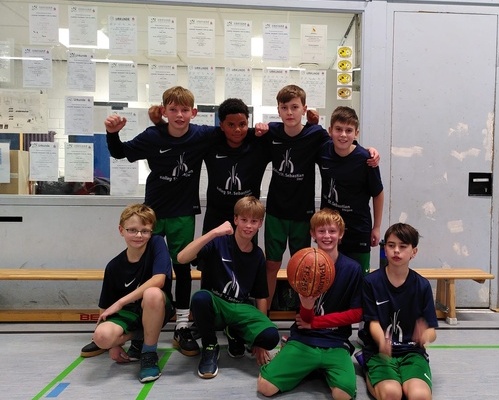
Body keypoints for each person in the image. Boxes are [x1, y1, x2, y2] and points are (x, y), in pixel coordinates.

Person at [103, 87, 267, 358]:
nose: (179, 115)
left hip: (183, 211)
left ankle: (181, 323)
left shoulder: (202, 135)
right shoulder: (152, 135)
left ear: (194, 112)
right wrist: (112, 133)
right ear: (164, 111)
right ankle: (140, 322)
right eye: (173, 109)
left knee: (181, 267)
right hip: (153, 213)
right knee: (151, 266)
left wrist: (261, 129)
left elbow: (235, 129)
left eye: (184, 110)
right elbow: (120, 152)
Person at [263, 84, 379, 309]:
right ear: (278, 110)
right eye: (284, 107)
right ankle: (264, 313)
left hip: (303, 213)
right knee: (271, 265)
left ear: (304, 109)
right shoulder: (271, 131)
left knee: (305, 265)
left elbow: (343, 142)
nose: (289, 112)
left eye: (295, 107)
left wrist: (368, 151)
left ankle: (303, 312)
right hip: (276, 211)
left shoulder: (315, 135)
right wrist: (258, 127)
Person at [257, 208, 363, 399]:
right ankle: (307, 364)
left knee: (343, 395)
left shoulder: (353, 269)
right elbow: (303, 320)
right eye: (321, 231)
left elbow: (356, 314)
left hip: (336, 342)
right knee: (265, 387)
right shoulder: (302, 264)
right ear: (313, 234)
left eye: (332, 231)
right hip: (304, 339)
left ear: (341, 234)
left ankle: (315, 368)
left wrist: (316, 322)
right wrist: (307, 306)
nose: (327, 236)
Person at [177, 196, 279, 379]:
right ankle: (210, 346)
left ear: (260, 224)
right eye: (244, 220)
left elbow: (261, 295)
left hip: (241, 308)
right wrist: (214, 232)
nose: (248, 225)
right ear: (235, 219)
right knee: (200, 298)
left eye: (254, 221)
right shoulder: (219, 242)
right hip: (217, 305)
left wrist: (259, 336)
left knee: (271, 337)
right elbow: (182, 258)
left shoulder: (257, 255)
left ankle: (234, 331)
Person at [91, 203, 175, 383]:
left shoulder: (157, 244)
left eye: (145, 231)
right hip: (130, 314)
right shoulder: (113, 266)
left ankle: (148, 353)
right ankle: (139, 335)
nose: (139, 235)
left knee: (152, 293)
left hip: (156, 307)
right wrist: (113, 345)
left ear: (151, 232)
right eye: (132, 230)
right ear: (121, 230)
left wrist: (121, 302)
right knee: (101, 336)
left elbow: (159, 280)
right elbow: (105, 308)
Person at [359, 223, 438, 400]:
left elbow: (432, 330)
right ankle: (368, 368)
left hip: (412, 353)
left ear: (413, 252)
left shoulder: (422, 286)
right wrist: (382, 341)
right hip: (379, 352)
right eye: (391, 245)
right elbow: (372, 322)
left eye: (403, 246)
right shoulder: (371, 282)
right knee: (392, 393)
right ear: (385, 249)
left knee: (419, 396)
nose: (396, 251)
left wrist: (424, 336)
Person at [318, 106, 384, 274]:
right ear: (330, 131)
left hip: (358, 230)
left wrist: (376, 227)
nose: (343, 135)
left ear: (356, 133)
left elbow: (378, 193)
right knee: (328, 277)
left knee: (359, 279)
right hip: (329, 230)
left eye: (349, 130)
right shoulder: (323, 150)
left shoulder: (367, 159)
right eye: (338, 129)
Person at [201, 98, 271, 233]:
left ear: (248, 123)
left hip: (247, 218)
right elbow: (181, 131)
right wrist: (159, 122)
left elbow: (289, 135)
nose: (237, 129)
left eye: (242, 124)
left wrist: (311, 124)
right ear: (221, 126)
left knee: (245, 248)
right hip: (216, 217)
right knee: (211, 247)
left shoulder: (259, 144)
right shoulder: (210, 143)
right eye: (231, 125)